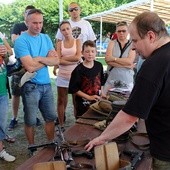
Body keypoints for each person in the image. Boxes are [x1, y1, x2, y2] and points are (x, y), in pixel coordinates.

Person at [85, 11, 170, 170]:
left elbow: (129, 117)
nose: (133, 47)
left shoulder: (152, 66)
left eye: (136, 40)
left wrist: (103, 138)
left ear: (151, 36)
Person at [14, 9, 59, 155]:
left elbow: (56, 60)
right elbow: (29, 67)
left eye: (40, 22)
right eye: (34, 23)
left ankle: (51, 143)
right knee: (30, 120)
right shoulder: (21, 40)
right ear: (27, 22)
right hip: (30, 86)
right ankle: (32, 147)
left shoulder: (46, 37)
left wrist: (38, 58)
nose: (38, 26)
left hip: (46, 84)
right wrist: (46, 60)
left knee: (51, 117)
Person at [8, 5, 42, 131]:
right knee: (16, 93)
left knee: (34, 93)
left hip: (34, 66)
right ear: (25, 15)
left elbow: (40, 44)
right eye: (28, 13)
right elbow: (14, 40)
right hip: (19, 66)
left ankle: (34, 116)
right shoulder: (18, 26)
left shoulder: (37, 27)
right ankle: (14, 118)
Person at [53, 20, 81, 129]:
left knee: (76, 101)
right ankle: (61, 124)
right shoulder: (59, 43)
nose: (66, 31)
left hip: (75, 76)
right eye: (63, 30)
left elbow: (78, 57)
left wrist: (63, 59)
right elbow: (57, 60)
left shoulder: (77, 42)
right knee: (61, 100)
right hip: (62, 76)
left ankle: (77, 123)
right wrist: (70, 60)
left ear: (71, 29)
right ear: (61, 32)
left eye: (67, 29)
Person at [69, 40, 105, 118]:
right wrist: (89, 97)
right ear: (82, 53)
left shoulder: (99, 66)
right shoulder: (78, 70)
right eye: (87, 51)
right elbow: (74, 89)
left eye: (92, 51)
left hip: (97, 102)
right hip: (83, 103)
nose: (90, 54)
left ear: (96, 52)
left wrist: (102, 93)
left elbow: (101, 82)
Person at [103, 21, 136, 95]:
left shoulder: (132, 44)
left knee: (126, 101)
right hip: (112, 78)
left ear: (128, 32)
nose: (121, 33)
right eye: (119, 31)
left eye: (124, 31)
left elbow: (129, 61)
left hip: (127, 78)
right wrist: (126, 66)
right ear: (116, 32)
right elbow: (107, 60)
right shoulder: (112, 43)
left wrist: (114, 59)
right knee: (107, 101)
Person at [0, 32, 16, 162]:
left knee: (2, 121)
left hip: (2, 88)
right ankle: (1, 150)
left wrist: (5, 53)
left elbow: (10, 53)